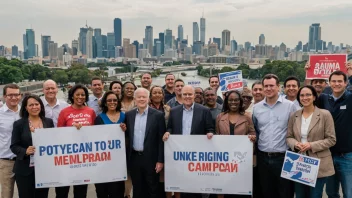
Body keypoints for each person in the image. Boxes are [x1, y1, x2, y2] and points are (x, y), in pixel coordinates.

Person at [163, 85, 214, 198]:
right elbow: (170, 127)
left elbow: (210, 128)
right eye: (185, 94)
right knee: (182, 185)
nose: (187, 97)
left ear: (194, 95)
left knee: (196, 186)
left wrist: (210, 133)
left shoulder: (204, 111)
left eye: (190, 94)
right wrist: (168, 133)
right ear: (181, 95)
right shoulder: (174, 111)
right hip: (180, 155)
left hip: (197, 157)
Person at [287, 85, 336, 198]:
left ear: (314, 97)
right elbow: (289, 137)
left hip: (318, 163)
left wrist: (311, 145)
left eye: (308, 94)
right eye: (302, 95)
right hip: (298, 163)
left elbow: (331, 139)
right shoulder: (294, 116)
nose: (305, 97)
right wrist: (295, 144)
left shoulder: (325, 114)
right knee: (300, 195)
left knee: (315, 195)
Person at [252, 74, 296, 198]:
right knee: (266, 192)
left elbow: (295, 130)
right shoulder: (256, 108)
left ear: (278, 87)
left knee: (285, 192)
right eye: (266, 86)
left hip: (284, 157)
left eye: (271, 86)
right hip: (263, 158)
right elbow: (256, 130)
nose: (268, 88)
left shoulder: (290, 106)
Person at [56, 84, 96, 198]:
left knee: (81, 192)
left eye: (83, 95)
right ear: (72, 96)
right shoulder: (64, 112)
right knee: (62, 191)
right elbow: (58, 134)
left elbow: (95, 133)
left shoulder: (91, 111)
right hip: (67, 157)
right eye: (77, 94)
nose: (80, 97)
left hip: (83, 158)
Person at [317, 70, 352, 198]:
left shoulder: (350, 98)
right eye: (334, 81)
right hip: (328, 154)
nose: (336, 84)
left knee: (349, 193)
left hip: (347, 155)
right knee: (331, 192)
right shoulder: (324, 98)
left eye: (340, 81)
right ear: (329, 83)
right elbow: (308, 99)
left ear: (346, 83)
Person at [125, 88, 166, 198]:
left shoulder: (158, 115)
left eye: (144, 97)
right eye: (139, 97)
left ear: (148, 99)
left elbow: (161, 140)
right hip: (134, 158)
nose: (142, 99)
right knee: (137, 189)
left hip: (151, 159)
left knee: (153, 189)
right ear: (135, 99)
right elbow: (126, 135)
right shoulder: (129, 115)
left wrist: (160, 160)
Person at [11, 94, 54, 198]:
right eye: (31, 105)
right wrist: (25, 151)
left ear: (41, 105)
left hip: (44, 169)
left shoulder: (48, 122)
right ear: (25, 108)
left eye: (36, 104)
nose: (34, 107)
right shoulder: (19, 124)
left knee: (42, 196)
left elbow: (54, 142)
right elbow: (14, 146)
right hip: (25, 170)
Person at [216, 90, 256, 198]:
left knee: (241, 191)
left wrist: (252, 138)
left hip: (241, 161)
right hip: (225, 161)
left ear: (240, 101)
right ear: (227, 102)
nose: (233, 102)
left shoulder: (247, 117)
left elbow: (252, 133)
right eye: (231, 100)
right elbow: (216, 136)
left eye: (236, 100)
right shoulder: (220, 117)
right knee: (227, 189)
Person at [94, 91, 127, 198]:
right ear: (104, 103)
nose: (112, 102)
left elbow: (130, 137)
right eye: (109, 100)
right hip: (103, 162)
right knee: (102, 192)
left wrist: (125, 131)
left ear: (118, 102)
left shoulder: (125, 117)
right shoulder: (99, 118)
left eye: (114, 100)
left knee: (117, 192)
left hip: (119, 163)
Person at [0, 84, 21, 198]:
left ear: (20, 96)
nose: (14, 98)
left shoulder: (26, 112)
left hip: (24, 160)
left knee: (26, 192)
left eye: (16, 95)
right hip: (6, 161)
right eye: (10, 95)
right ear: (4, 96)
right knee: (6, 194)